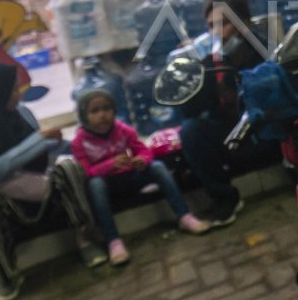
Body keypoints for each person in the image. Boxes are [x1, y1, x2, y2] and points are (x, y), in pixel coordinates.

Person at [0, 61, 106, 300]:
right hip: (8, 201)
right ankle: (6, 276)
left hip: (41, 186)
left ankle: (86, 240)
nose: (18, 94)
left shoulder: (22, 113)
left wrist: (78, 145)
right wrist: (39, 139)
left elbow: (43, 149)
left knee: (68, 166)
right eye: (13, 89)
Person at [71, 89, 210, 265]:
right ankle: (113, 240)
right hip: (108, 185)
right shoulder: (79, 142)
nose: (103, 115)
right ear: (84, 116)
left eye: (107, 108)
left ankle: (184, 216)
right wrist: (110, 165)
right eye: (95, 111)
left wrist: (142, 160)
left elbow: (143, 150)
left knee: (158, 167)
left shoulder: (123, 129)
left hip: (129, 176)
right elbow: (85, 172)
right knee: (95, 185)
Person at [179, 0, 281, 226]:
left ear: (243, 23)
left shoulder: (264, 50)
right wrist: (198, 75)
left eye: (224, 23)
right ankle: (225, 198)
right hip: (235, 136)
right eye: (211, 26)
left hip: (267, 134)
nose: (217, 32)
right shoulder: (212, 62)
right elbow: (191, 110)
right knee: (191, 131)